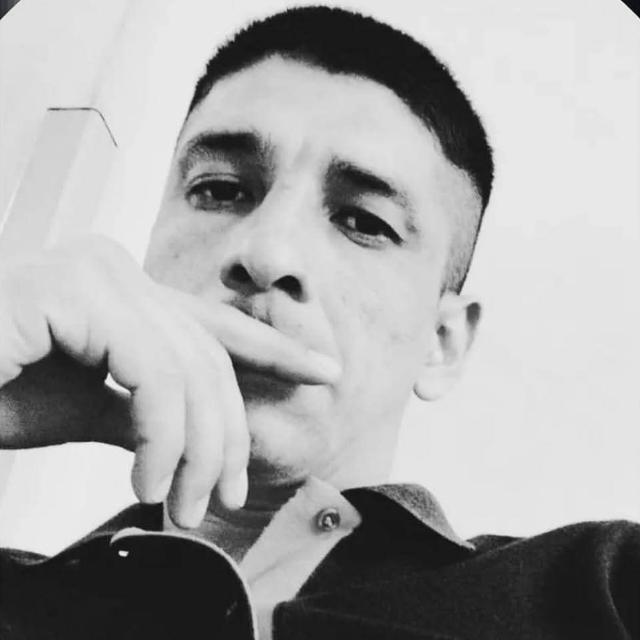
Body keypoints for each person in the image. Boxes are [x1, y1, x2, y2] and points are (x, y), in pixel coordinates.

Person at [0, 6, 637, 639]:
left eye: (364, 222)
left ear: (442, 342)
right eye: (220, 190)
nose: (266, 254)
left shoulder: (599, 594)